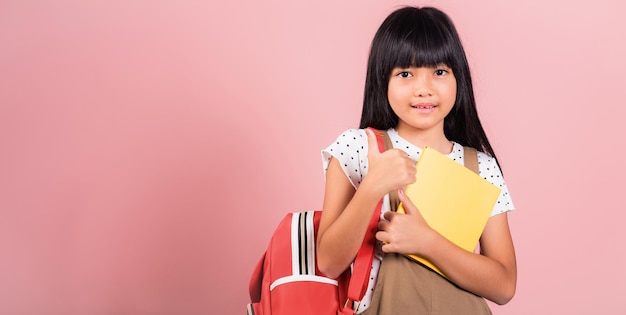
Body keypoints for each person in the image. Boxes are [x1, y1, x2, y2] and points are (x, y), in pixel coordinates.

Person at [316, 6, 517, 314]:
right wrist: (372, 187)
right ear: (382, 81)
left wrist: (427, 242)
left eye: (439, 72)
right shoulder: (358, 147)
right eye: (405, 74)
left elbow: (504, 286)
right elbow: (329, 263)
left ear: (458, 78)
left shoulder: (481, 167)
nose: (424, 89)